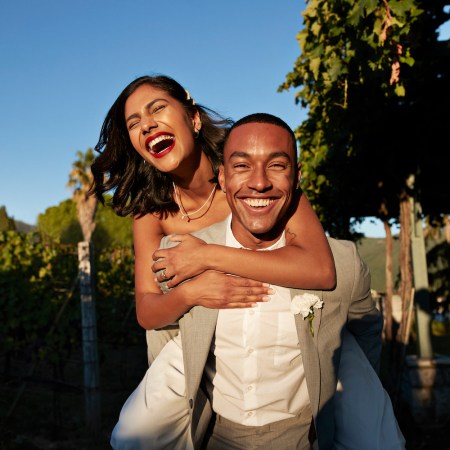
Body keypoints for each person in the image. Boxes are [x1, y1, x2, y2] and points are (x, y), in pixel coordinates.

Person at [89, 75, 335, 446]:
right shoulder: (150, 213)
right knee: (131, 437)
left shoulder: (249, 175)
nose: (148, 124)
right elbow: (147, 311)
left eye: (157, 109)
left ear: (193, 118)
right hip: (192, 345)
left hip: (275, 334)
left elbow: (320, 268)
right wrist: (193, 293)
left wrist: (206, 256)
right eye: (135, 123)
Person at [143, 114, 405, 450]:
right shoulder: (180, 255)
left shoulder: (343, 265)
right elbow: (163, 336)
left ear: (297, 178)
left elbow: (364, 332)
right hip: (210, 438)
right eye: (242, 166)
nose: (259, 183)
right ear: (222, 178)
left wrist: (350, 404)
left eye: (277, 166)